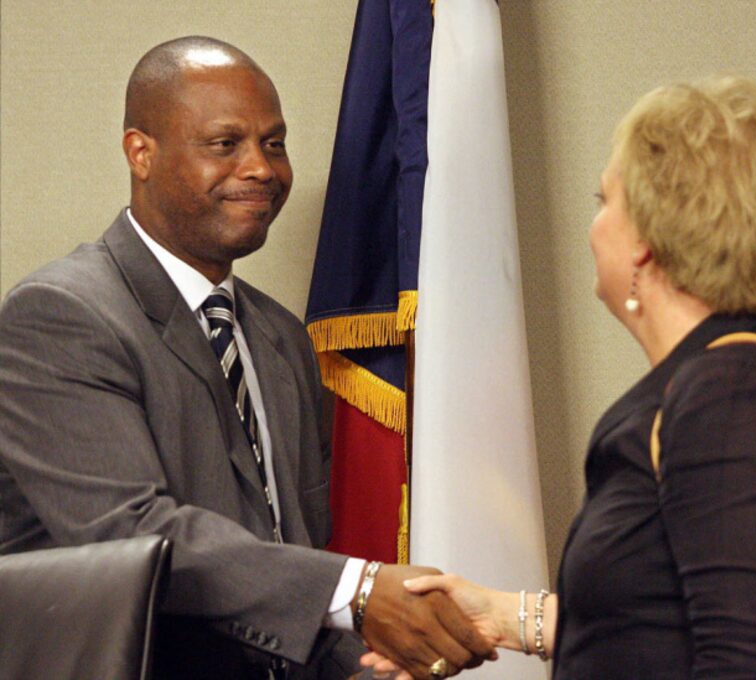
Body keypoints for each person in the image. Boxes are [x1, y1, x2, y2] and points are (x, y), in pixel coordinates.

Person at [0, 36, 495, 680]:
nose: (261, 168)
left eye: (274, 143)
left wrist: (367, 666)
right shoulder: (59, 316)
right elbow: (133, 540)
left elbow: (289, 557)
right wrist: (361, 592)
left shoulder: (281, 335)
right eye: (225, 144)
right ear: (140, 152)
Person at [365, 75, 756, 679]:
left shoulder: (729, 396)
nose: (595, 226)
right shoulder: (733, 379)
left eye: (604, 200)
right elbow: (669, 615)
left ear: (644, 239)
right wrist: (503, 618)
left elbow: (752, 658)